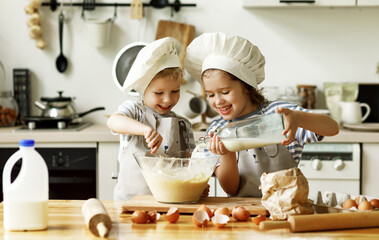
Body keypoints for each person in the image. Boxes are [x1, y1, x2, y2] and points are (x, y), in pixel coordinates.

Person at [184, 32, 339, 197]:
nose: (218, 101)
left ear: (246, 86)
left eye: (225, 91)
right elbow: (231, 189)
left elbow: (332, 128)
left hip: (287, 209)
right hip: (243, 213)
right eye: (211, 94)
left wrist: (298, 118)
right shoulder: (217, 131)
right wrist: (227, 153)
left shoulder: (278, 114)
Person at [107, 37, 196, 200]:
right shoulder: (133, 111)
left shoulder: (184, 125)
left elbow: (191, 165)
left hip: (171, 202)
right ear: (143, 90)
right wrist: (144, 129)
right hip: (130, 204)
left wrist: (198, 184)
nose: (168, 99)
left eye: (175, 91)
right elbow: (113, 121)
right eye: (159, 93)